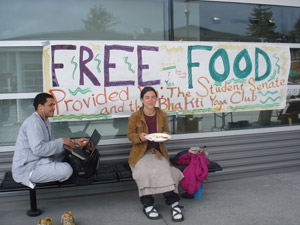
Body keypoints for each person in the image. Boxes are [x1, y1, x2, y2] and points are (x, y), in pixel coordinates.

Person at [128, 86, 185, 222]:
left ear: (156, 98)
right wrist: (139, 137)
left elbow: (167, 132)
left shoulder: (162, 114)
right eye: (147, 97)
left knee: (166, 171)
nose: (150, 100)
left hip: (158, 152)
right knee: (144, 172)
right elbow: (130, 135)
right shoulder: (135, 116)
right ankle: (148, 204)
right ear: (142, 99)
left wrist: (165, 135)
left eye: (153, 97)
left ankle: (174, 203)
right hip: (141, 154)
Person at [12, 93, 89, 189]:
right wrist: (61, 141)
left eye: (54, 105)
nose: (53, 108)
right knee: (67, 170)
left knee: (68, 155)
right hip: (28, 168)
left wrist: (74, 142)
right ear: (40, 107)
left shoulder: (44, 120)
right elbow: (38, 149)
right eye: (50, 105)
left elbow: (51, 143)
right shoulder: (33, 123)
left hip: (40, 160)